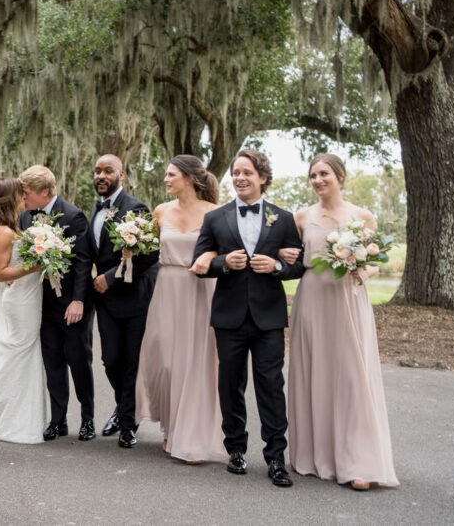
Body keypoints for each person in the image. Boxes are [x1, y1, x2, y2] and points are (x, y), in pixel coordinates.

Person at [284, 154, 399, 490]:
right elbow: (291, 255)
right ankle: (316, 456)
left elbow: (376, 261)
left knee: (352, 376)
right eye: (313, 175)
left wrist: (360, 265)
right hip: (313, 300)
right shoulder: (302, 217)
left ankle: (358, 461)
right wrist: (282, 256)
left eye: (324, 174)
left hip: (349, 299)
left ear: (340, 176)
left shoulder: (361, 216)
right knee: (316, 373)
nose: (318, 180)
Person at [192, 149, 304, 487]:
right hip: (229, 316)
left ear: (262, 178)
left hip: (268, 317)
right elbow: (200, 262)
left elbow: (298, 264)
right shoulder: (215, 217)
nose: (240, 177)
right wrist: (224, 262)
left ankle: (275, 459)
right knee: (231, 384)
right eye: (236, 172)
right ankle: (236, 450)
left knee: (271, 386)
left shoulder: (283, 218)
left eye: (247, 172)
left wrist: (278, 266)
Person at [135, 155, 226, 464]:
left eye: (171, 174)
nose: (166, 179)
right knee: (166, 363)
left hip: (201, 290)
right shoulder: (160, 211)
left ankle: (192, 436)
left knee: (197, 362)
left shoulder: (215, 213)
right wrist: (129, 245)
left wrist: (209, 254)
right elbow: (144, 247)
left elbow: (224, 248)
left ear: (189, 178)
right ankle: (170, 426)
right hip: (167, 290)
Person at [17, 165, 95, 442]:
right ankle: (58, 420)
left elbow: (84, 262)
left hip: (73, 303)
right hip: (44, 304)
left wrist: (78, 301)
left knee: (78, 361)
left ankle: (87, 419)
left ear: (45, 192)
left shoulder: (73, 216)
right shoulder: (25, 217)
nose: (22, 197)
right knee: (53, 363)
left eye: (26, 193)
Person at [87, 154, 159, 449]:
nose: (101, 176)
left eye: (107, 171)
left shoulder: (136, 208)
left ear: (121, 176)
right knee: (110, 360)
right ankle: (123, 407)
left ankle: (128, 424)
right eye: (97, 171)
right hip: (105, 301)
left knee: (130, 362)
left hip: (133, 299)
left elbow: (149, 256)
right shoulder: (95, 208)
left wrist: (110, 277)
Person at [0, 176, 51, 444]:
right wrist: (35, 265)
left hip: (24, 297)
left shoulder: (7, 228)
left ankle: (20, 417)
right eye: (20, 194)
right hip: (20, 301)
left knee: (23, 354)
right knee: (19, 355)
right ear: (9, 199)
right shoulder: (4, 232)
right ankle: (12, 421)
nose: (25, 198)